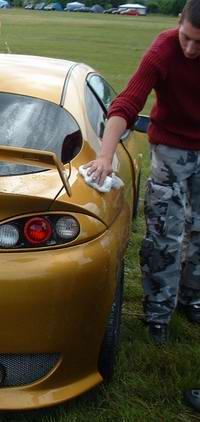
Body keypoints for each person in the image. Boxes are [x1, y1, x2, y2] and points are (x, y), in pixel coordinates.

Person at [83, 0, 200, 345]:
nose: (191, 49)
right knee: (165, 230)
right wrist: (105, 156)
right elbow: (127, 103)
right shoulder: (163, 49)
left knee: (199, 232)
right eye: (186, 38)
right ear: (179, 22)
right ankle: (158, 311)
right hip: (170, 150)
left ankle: (192, 298)